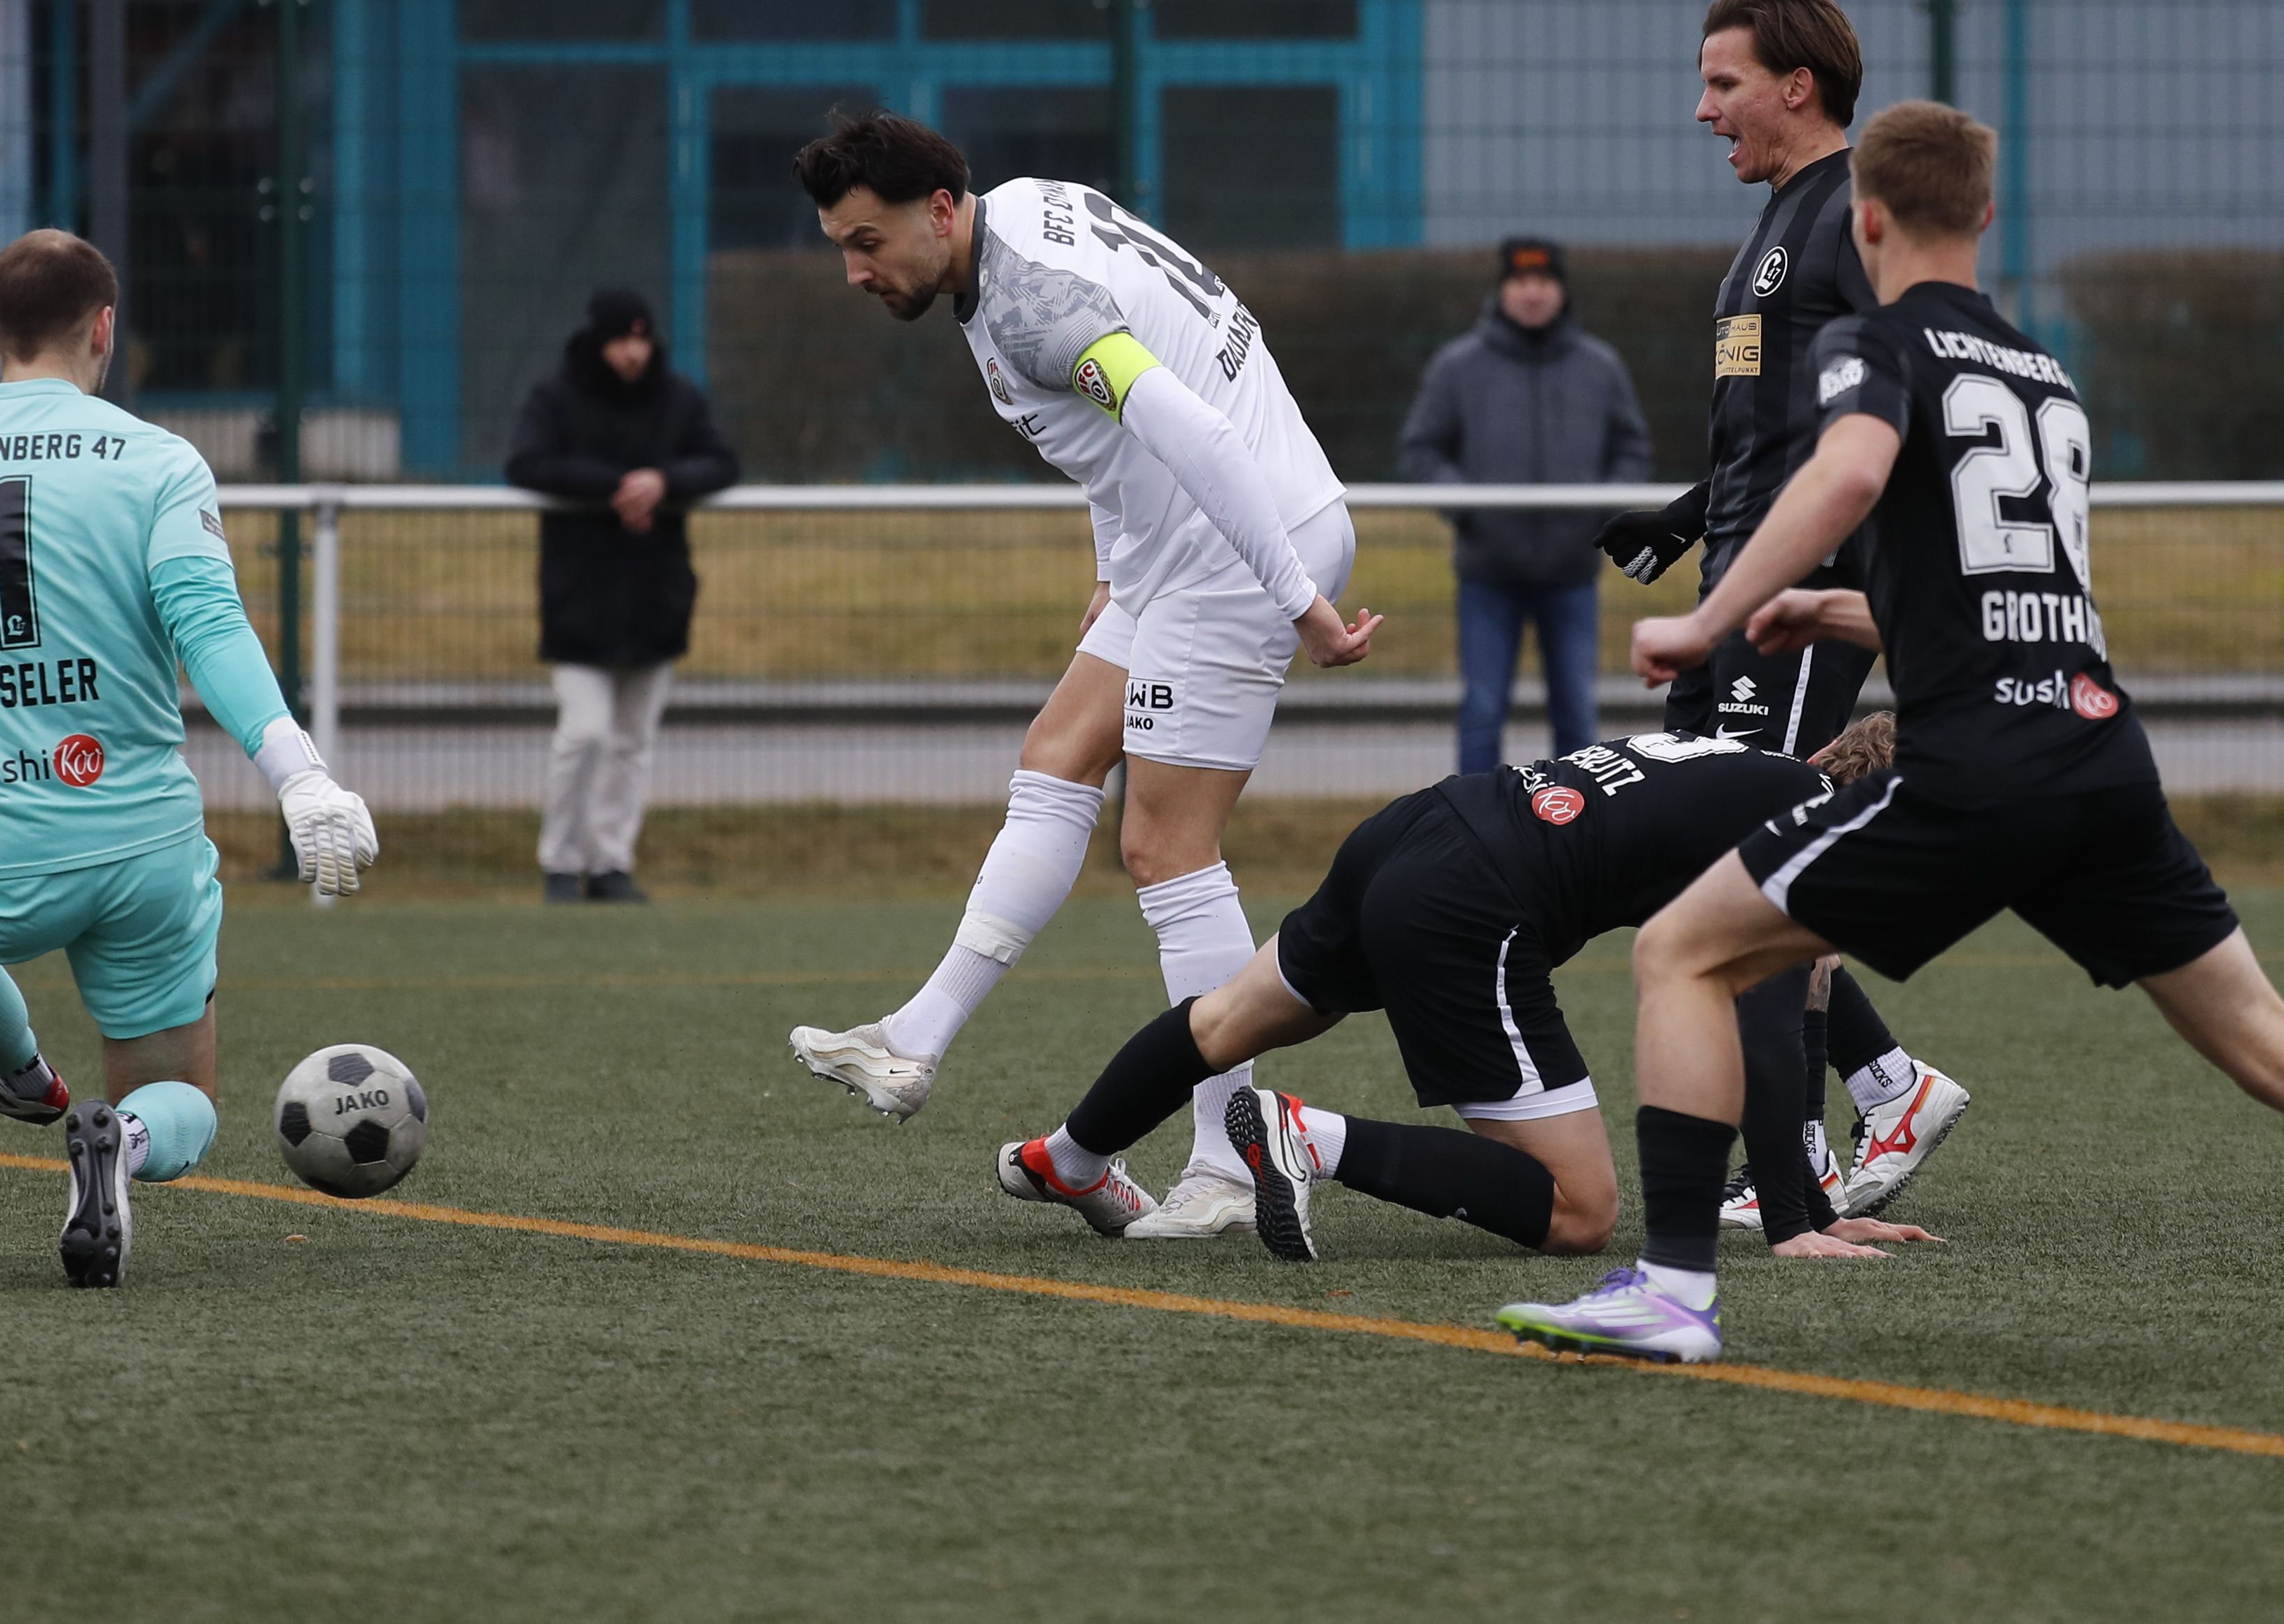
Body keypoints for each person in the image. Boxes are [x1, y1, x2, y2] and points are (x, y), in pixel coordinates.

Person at [1494, 101, 2284, 1364]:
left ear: (1863, 219)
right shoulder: (2043, 373)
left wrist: (1716, 620)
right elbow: (1992, 594)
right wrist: (1833, 607)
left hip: (1973, 773)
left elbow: (1850, 474)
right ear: (1985, 215)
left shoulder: (1873, 339)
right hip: (2096, 755)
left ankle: (1675, 1292)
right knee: (2272, 1046)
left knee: (1682, 953)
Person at [782, 112, 1379, 1239]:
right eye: (841, 246)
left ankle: (1228, 1159)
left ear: (941, 211)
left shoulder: (1029, 305)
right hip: (1186, 550)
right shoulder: (1016, 218)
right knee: (1057, 753)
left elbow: (1192, 431)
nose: (855, 271)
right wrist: (1118, 566)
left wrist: (1305, 606)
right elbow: (1115, 442)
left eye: (868, 242)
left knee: (1166, 847)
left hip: (1242, 547)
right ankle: (915, 1038)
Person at [0, 230, 379, 1289]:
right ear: (105, 328)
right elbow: (209, 625)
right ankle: (119, 1145)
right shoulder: (156, 459)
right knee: (179, 1096)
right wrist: (300, 777)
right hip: (138, 851)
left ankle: (22, 1080)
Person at [997, 715, 1934, 1265]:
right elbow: (1765, 1013)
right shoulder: (1810, 825)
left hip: (1416, 828)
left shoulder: (1750, 766)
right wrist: (1788, 1229)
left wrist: (1816, 1207)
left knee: (1227, 1019)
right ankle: (1308, 1137)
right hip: (1472, 902)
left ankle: (1067, 1158)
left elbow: (1799, 992)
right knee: (1582, 1212)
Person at [1594, 0, 1970, 1230]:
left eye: (1722, 84)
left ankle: (1792, 1167)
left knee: (1754, 867)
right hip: (1740, 583)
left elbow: (1892, 405)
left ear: (1795, 87)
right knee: (1704, 858)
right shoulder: (1778, 221)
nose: (1703, 111)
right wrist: (1689, 517)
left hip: (1799, 598)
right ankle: (1885, 1082)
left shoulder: (1849, 219)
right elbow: (1782, 426)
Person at [504, 286, 741, 905]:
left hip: (655, 597)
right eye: (621, 340)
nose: (633, 352)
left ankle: (610, 863)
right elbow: (526, 463)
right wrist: (616, 488)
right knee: (584, 731)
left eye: (641, 339)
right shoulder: (555, 398)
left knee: (632, 740)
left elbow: (720, 462)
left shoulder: (679, 397)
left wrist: (662, 482)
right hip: (579, 599)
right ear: (598, 341)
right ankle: (560, 862)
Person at [1397, 236, 1653, 774]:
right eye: (1520, 281)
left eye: (1544, 281)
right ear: (1502, 289)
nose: (1532, 292)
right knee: (1483, 712)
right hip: (1488, 572)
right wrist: (1470, 510)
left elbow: (1632, 447)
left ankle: (1577, 832)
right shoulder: (1458, 367)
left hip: (1572, 573)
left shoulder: (1600, 367)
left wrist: (1600, 514)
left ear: (1561, 290)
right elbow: (1421, 449)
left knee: (1577, 715)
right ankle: (1474, 833)